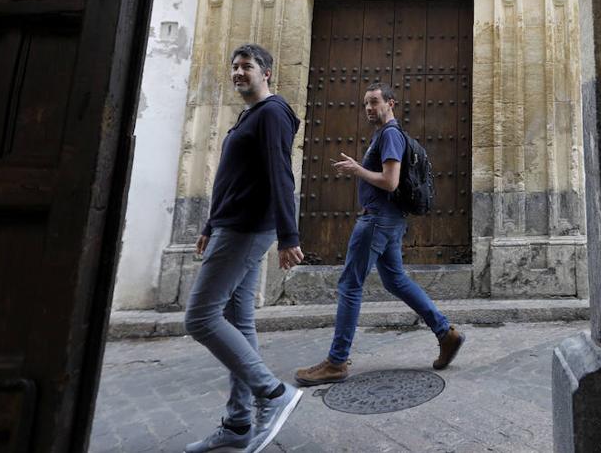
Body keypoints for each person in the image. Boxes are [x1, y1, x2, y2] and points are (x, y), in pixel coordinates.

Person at [294, 82, 465, 386]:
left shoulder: (389, 135)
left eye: (374, 101)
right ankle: (445, 333)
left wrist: (357, 169)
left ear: (391, 103)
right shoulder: (385, 135)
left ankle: (336, 361)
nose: (369, 108)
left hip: (377, 220)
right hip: (389, 220)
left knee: (350, 283)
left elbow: (390, 182)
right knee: (394, 279)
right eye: (365, 104)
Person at [183, 44, 304, 453]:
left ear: (266, 73)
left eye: (246, 66)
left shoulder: (272, 114)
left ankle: (272, 392)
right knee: (238, 321)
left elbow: (279, 173)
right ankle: (238, 425)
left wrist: (290, 236)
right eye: (234, 66)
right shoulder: (250, 115)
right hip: (230, 225)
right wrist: (209, 223)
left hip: (246, 229)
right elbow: (232, 178)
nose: (238, 72)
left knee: (200, 317)